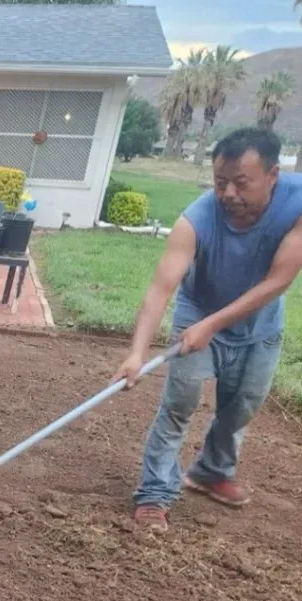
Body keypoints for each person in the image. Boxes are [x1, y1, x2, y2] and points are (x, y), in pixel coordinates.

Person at [116, 127, 302, 531]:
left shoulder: (298, 202)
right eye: (221, 183)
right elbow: (160, 288)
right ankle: (154, 493)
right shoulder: (196, 220)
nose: (229, 194)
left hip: (260, 323)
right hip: (196, 311)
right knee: (180, 405)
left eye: (241, 183)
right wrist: (137, 352)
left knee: (242, 406)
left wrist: (215, 325)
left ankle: (211, 471)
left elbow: (279, 281)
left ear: (273, 175)